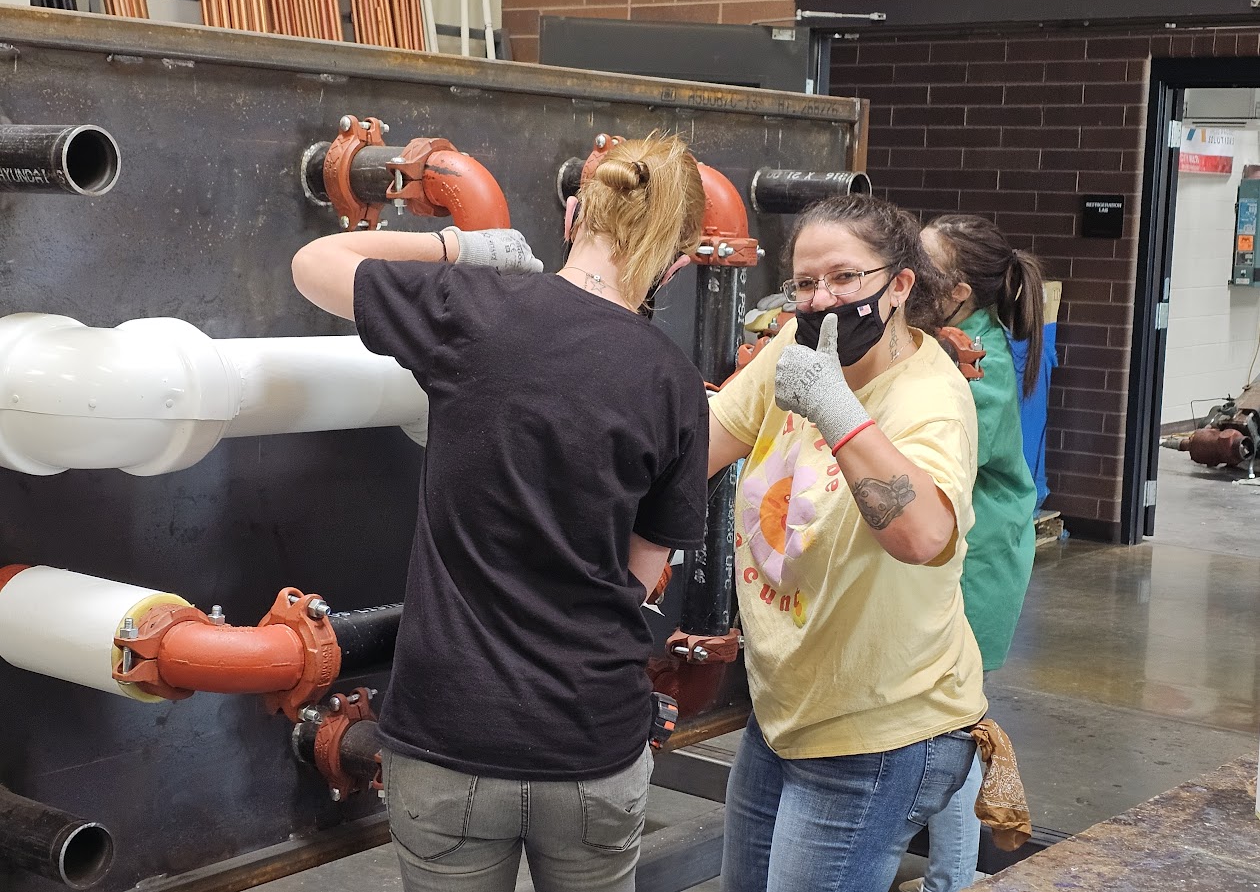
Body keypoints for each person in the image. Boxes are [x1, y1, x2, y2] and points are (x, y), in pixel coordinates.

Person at [290, 133, 711, 892]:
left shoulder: (473, 309)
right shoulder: (673, 380)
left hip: (449, 732)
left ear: (574, 212)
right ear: (677, 262)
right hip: (590, 736)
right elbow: (644, 573)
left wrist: (463, 246)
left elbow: (314, 264)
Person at [706, 194, 988, 892]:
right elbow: (692, 447)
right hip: (785, 712)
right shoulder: (793, 349)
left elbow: (921, 535)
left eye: (844, 278)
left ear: (899, 284)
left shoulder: (929, 396)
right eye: (805, 283)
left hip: (879, 731)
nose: (822, 300)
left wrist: (837, 408)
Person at [902, 214, 1042, 892]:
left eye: (919, 263)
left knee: (953, 729)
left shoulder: (973, 371)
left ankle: (951, 878)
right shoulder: (946, 340)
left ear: (956, 292)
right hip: (965, 558)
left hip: (979, 566)